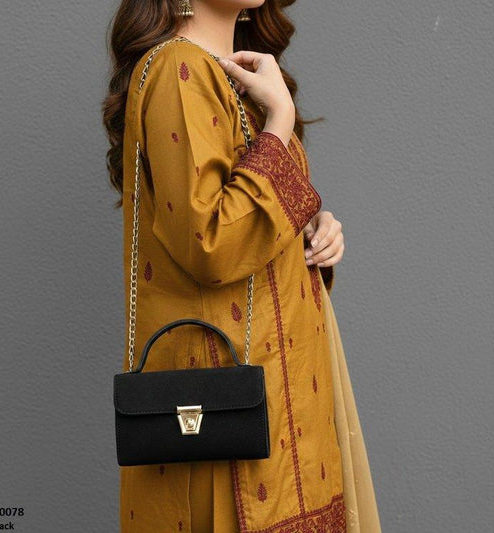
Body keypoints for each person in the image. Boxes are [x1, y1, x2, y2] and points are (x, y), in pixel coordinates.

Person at [102, 1, 381, 531]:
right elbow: (211, 244)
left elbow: (248, 219)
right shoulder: (178, 68)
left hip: (288, 401)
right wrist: (281, 122)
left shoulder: (236, 76)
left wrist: (312, 230)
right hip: (229, 420)